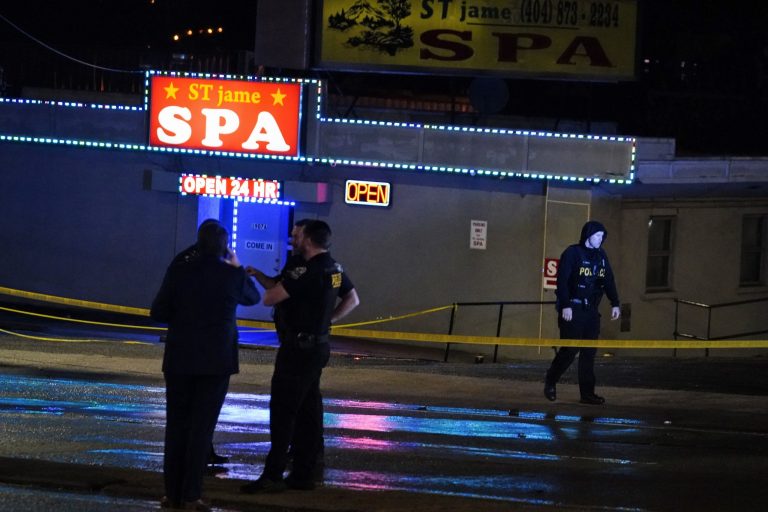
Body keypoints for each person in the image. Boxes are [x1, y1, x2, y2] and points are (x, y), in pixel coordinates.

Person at [241, 220, 358, 493]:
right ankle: (304, 474)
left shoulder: (306, 270)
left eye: (297, 235)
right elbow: (353, 299)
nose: (293, 239)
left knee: (283, 412)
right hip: (317, 347)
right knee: (308, 411)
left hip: (297, 349)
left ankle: (272, 475)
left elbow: (270, 298)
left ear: (308, 239)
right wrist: (327, 322)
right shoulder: (334, 268)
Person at [151, 221, 261, 510]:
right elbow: (253, 297)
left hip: (180, 358)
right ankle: (191, 495)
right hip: (216, 361)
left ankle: (171, 494)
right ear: (225, 248)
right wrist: (237, 266)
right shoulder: (231, 275)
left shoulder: (179, 271)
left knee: (176, 426)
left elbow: (158, 311)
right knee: (202, 429)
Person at [169, 218, 233, 467]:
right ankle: (198, 460)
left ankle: (189, 463)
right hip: (213, 354)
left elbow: (161, 309)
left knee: (184, 416)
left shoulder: (182, 263)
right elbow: (250, 295)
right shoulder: (221, 268)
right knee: (204, 412)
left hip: (182, 352)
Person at [544, 220, 620, 405]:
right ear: (588, 235)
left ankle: (587, 394)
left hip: (591, 311)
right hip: (573, 309)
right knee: (570, 350)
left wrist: (615, 303)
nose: (600, 239)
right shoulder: (572, 253)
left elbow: (608, 281)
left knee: (589, 353)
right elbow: (562, 281)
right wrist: (566, 305)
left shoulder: (601, 256)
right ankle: (551, 381)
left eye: (602, 236)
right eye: (597, 236)